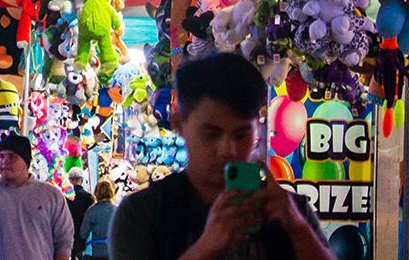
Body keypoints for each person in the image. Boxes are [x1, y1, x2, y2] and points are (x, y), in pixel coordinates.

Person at [109, 53, 331, 260]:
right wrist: (206, 247)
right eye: (211, 134)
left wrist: (298, 229)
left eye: (241, 133)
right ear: (179, 125)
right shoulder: (143, 213)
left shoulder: (287, 210)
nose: (228, 149)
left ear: (258, 128)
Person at [0, 135, 74, 260]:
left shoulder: (51, 196)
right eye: (1, 156)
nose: (5, 161)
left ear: (26, 161)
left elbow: (64, 241)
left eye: (12, 156)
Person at [80, 181, 117, 259]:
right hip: (113, 252)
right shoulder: (117, 210)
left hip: (95, 253)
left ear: (96, 193)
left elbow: (83, 234)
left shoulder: (91, 211)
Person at [66, 168, 94, 259]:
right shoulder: (88, 197)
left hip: (67, 234)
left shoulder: (63, 196)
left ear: (69, 180)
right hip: (82, 235)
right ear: (82, 180)